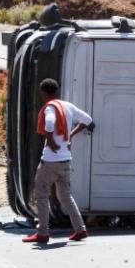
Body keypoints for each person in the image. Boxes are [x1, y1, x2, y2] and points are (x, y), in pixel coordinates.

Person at [25, 79, 95, 244]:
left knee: (41, 195)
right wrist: (70, 134)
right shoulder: (67, 106)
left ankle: (42, 233)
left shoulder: (50, 107)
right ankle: (80, 229)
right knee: (66, 196)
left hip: (50, 161)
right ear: (56, 90)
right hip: (66, 160)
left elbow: (49, 123)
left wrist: (51, 140)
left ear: (43, 92)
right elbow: (88, 120)